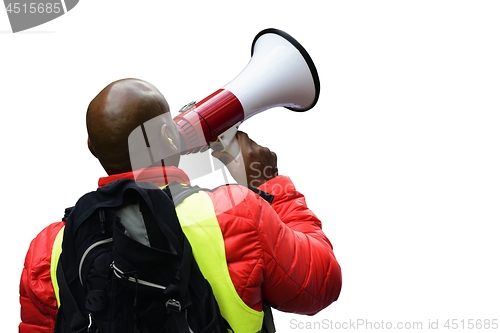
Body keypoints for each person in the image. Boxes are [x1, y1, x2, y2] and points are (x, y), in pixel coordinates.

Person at [19, 78, 342, 332]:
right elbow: (322, 284)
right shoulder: (236, 212)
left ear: (91, 147)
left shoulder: (49, 248)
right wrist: (269, 183)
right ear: (166, 135)